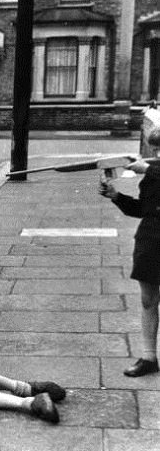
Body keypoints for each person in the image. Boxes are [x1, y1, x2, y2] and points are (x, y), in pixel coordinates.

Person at [100, 145, 160, 377]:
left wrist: (147, 168)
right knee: (148, 299)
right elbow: (145, 209)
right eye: (155, 150)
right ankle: (149, 357)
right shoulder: (152, 174)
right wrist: (116, 197)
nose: (156, 155)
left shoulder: (151, 170)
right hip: (151, 238)